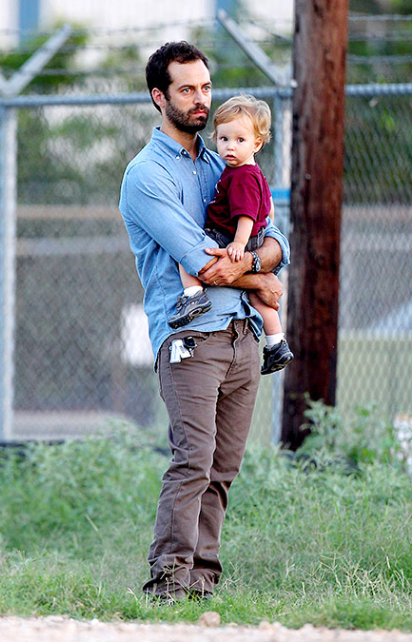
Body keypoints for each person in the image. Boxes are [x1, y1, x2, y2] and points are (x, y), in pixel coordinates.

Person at [119, 41, 290, 601]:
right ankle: (167, 583)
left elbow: (275, 238)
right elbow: (200, 261)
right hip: (190, 338)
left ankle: (201, 584)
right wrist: (261, 279)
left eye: (206, 87)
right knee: (192, 461)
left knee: (223, 468)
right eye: (187, 89)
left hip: (243, 336)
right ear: (159, 97)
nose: (200, 99)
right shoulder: (146, 176)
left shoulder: (226, 157)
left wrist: (260, 266)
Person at [168, 94, 293, 375]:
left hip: (230, 235)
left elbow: (245, 214)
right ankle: (276, 343)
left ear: (256, 144)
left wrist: (238, 243)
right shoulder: (253, 172)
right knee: (258, 296)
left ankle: (193, 295)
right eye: (224, 139)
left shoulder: (240, 176)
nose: (230, 147)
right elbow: (268, 208)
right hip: (253, 237)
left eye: (240, 140)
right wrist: (259, 231)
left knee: (187, 255)